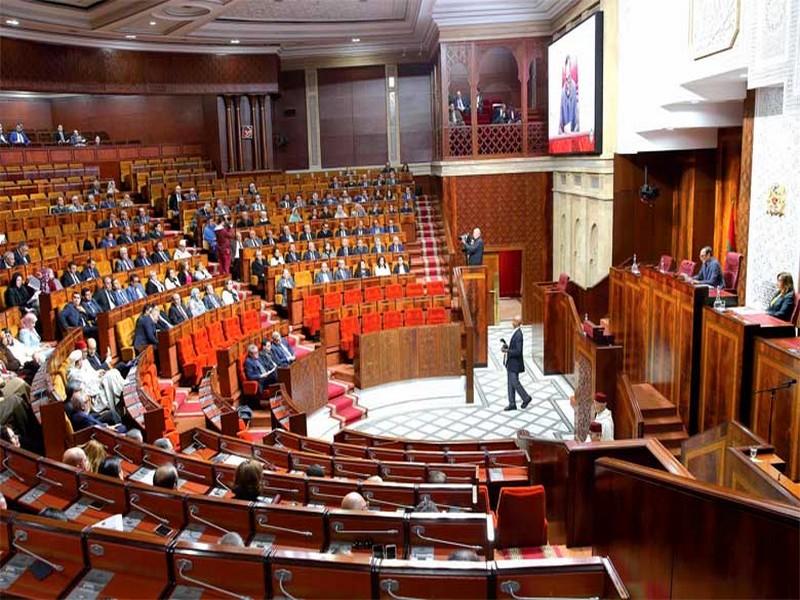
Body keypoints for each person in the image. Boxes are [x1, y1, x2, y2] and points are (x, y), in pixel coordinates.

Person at [67, 349, 125, 424]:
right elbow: (87, 386)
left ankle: (123, 390)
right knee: (110, 377)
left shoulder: (82, 366)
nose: (83, 361)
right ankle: (121, 395)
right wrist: (99, 379)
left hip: (95, 388)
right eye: (81, 360)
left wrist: (98, 374)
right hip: (92, 397)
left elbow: (90, 377)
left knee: (113, 373)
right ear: (77, 362)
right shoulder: (74, 375)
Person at [501, 316, 532, 411]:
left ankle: (526, 397)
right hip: (511, 363)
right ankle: (512, 403)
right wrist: (507, 347)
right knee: (510, 383)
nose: (512, 322)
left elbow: (518, 351)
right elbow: (513, 347)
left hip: (515, 363)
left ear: (517, 322)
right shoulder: (515, 332)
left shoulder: (519, 335)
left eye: (513, 320)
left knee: (514, 382)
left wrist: (507, 351)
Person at [559, 55, 579, 134]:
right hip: (564, 123)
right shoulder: (563, 89)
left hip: (573, 120)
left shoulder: (573, 86)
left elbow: (574, 104)